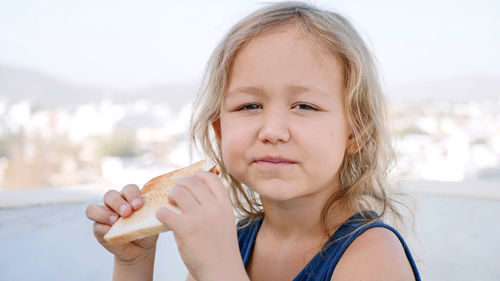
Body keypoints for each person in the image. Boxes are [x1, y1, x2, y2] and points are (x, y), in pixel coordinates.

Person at [85, 2, 421, 280]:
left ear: (355, 132)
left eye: (304, 106)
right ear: (220, 129)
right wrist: (133, 263)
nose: (272, 130)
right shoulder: (236, 240)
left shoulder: (373, 258)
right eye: (249, 106)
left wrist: (220, 269)